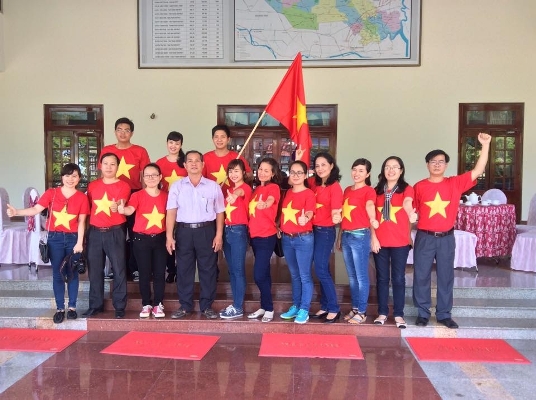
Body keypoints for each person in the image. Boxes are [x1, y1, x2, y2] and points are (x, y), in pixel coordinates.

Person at [413, 133, 491, 329]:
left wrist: (485, 145)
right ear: (427, 165)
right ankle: (422, 313)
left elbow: (478, 170)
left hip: (446, 238)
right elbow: (411, 210)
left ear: (446, 165)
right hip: (424, 237)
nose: (437, 165)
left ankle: (444, 314)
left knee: (446, 276)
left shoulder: (454, 183)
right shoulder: (419, 186)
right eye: (433, 161)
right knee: (421, 275)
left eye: (441, 162)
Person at [6, 163, 89, 323]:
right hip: (54, 238)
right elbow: (35, 209)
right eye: (67, 175)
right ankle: (60, 308)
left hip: (72, 238)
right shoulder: (52, 193)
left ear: (79, 178)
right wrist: (17, 212)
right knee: (58, 274)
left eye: (74, 176)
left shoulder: (82, 197)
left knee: (72, 273)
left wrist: (80, 242)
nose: (70, 179)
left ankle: (72, 307)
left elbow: (81, 222)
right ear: (62, 177)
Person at [166, 150, 225, 319]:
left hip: (206, 231)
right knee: (184, 269)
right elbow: (171, 212)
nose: (193, 164)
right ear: (184, 165)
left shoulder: (213, 186)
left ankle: (207, 306)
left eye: (197, 161)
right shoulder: (177, 186)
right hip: (184, 231)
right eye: (190, 161)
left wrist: (219, 234)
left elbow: (220, 212)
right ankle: (185, 306)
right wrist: (169, 236)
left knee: (208, 269)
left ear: (202, 164)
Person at [100, 117, 151, 282]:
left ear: (132, 133)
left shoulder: (140, 151)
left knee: (136, 234)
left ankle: (135, 268)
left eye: (127, 130)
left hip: (135, 195)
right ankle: (116, 268)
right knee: (116, 234)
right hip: (112, 196)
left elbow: (144, 176)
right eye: (119, 130)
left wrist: (145, 196)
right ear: (115, 132)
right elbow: (103, 174)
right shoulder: (107, 150)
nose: (123, 133)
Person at [370, 156, 417, 329]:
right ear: (383, 170)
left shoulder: (407, 189)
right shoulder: (376, 191)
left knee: (398, 278)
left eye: (395, 167)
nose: (391, 170)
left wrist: (411, 213)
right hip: (380, 242)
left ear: (401, 170)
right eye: (387, 167)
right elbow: (371, 216)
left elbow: (407, 202)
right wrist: (373, 238)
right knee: (382, 278)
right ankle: (382, 312)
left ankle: (398, 314)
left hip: (400, 241)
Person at [118, 163, 168, 318]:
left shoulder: (166, 196)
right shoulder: (137, 195)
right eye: (147, 175)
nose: (151, 178)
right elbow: (130, 210)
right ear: (143, 178)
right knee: (144, 273)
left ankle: (158, 304)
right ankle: (146, 304)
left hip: (160, 239)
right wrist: (122, 209)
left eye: (154, 175)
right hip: (141, 239)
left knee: (159, 273)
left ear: (160, 177)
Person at [84, 153, 131, 319]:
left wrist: (116, 206)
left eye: (112, 164)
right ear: (100, 165)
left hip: (115, 232)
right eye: (106, 163)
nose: (109, 167)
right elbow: (87, 209)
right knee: (95, 270)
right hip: (95, 232)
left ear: (117, 167)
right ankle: (95, 305)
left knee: (119, 269)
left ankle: (119, 306)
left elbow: (121, 202)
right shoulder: (92, 186)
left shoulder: (123, 185)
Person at [336, 158, 379, 324]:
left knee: (361, 277)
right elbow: (343, 214)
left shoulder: (369, 191)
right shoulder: (347, 190)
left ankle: (362, 311)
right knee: (352, 277)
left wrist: (372, 218)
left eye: (361, 170)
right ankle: (355, 308)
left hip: (360, 236)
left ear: (367, 174)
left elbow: (370, 205)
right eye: (354, 169)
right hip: (346, 235)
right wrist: (340, 237)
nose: (356, 173)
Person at [308, 152, 343, 323]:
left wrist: (337, 216)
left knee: (321, 269)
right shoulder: (313, 183)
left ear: (331, 166)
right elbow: (294, 180)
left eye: (324, 165)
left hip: (325, 231)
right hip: (312, 229)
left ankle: (334, 308)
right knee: (322, 268)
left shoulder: (334, 186)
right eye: (317, 165)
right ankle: (325, 305)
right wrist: (299, 158)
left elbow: (336, 210)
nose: (320, 168)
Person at [279, 160, 316, 324]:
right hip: (287, 239)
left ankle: (304, 309)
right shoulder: (287, 193)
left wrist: (305, 218)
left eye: (299, 172)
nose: (295, 175)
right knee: (294, 275)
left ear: (305, 175)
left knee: (304, 275)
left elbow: (309, 212)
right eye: (292, 172)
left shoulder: (309, 194)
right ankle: (296, 305)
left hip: (303, 239)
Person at [247, 157, 281, 323]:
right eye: (260, 169)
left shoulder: (273, 187)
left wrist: (265, 204)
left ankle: (269, 307)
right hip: (254, 236)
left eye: (266, 170)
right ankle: (265, 306)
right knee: (265, 273)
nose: (262, 172)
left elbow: (270, 200)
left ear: (273, 173)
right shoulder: (255, 190)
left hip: (267, 237)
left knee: (259, 275)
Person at [220, 159, 252, 319]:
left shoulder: (244, 188)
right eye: (231, 171)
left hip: (238, 231)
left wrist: (234, 195)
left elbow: (240, 192)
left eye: (237, 171)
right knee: (232, 270)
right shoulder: (228, 190)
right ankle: (235, 303)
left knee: (238, 270)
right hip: (227, 230)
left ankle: (238, 306)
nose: (233, 174)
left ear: (243, 173)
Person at [155, 131, 187, 283]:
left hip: (184, 207)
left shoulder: (185, 162)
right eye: (171, 142)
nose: (173, 146)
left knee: (182, 239)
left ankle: (181, 269)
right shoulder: (160, 162)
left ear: (181, 145)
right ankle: (171, 269)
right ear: (167, 143)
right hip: (165, 205)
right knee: (168, 237)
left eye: (177, 143)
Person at [202, 124, 251, 192]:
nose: (219, 140)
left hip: (233, 196)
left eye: (223, 137)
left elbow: (250, 175)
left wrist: (238, 175)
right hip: (212, 196)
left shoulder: (237, 157)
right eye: (216, 137)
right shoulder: (205, 157)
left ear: (228, 139)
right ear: (212, 139)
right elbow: (201, 179)